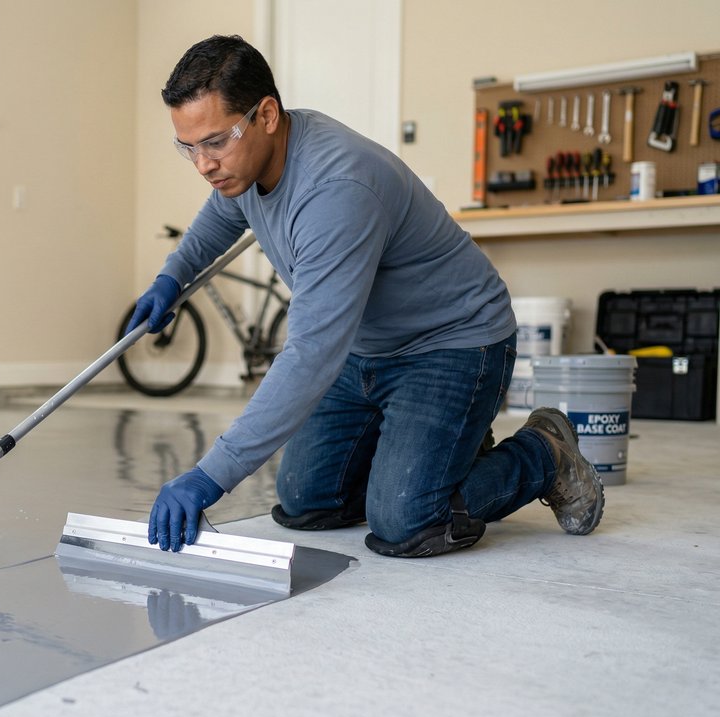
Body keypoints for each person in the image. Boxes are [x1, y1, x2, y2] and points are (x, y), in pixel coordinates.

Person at [126, 34, 604, 558]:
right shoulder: (251, 164)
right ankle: (445, 449)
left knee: (406, 521)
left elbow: (310, 357)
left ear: (266, 114)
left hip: (451, 345)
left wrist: (208, 478)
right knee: (306, 502)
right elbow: (221, 216)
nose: (203, 164)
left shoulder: (336, 187)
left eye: (215, 142)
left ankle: (544, 453)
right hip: (367, 350)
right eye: (188, 147)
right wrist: (170, 280)